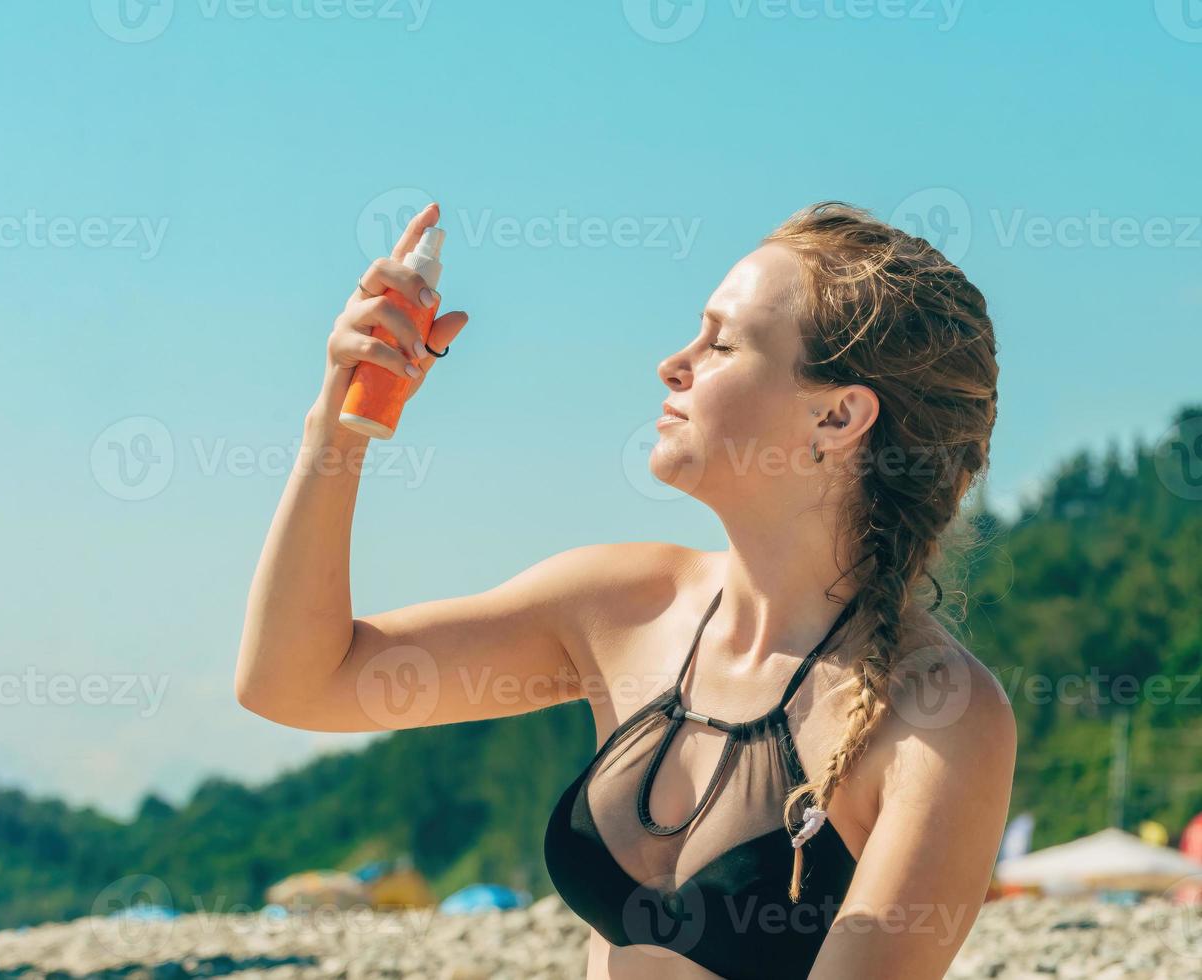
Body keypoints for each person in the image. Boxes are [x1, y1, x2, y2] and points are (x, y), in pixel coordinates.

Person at [236, 200, 1016, 979]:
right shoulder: (623, 605)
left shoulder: (936, 715)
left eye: (721, 343)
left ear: (838, 415)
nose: (672, 364)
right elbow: (296, 683)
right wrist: (334, 427)